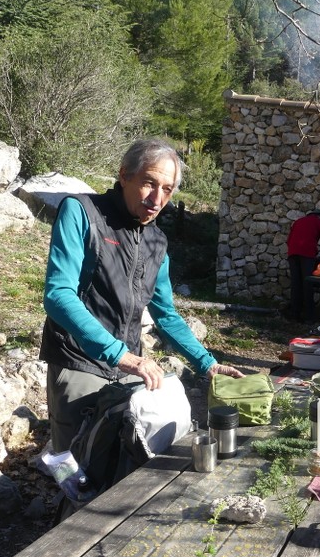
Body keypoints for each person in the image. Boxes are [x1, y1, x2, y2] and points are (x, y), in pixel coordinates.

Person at [41, 136, 243, 454]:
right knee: (78, 471)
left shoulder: (156, 242)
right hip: (80, 363)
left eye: (167, 189)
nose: (157, 198)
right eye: (149, 183)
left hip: (128, 368)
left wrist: (208, 364)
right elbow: (58, 294)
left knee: (125, 462)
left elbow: (165, 313)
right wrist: (120, 355)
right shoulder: (81, 212)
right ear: (124, 175)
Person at [286, 209, 320, 322]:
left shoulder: (298, 221)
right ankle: (309, 317)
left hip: (292, 254)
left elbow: (288, 240)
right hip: (307, 255)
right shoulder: (319, 222)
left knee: (296, 284)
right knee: (307, 284)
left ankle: (294, 315)